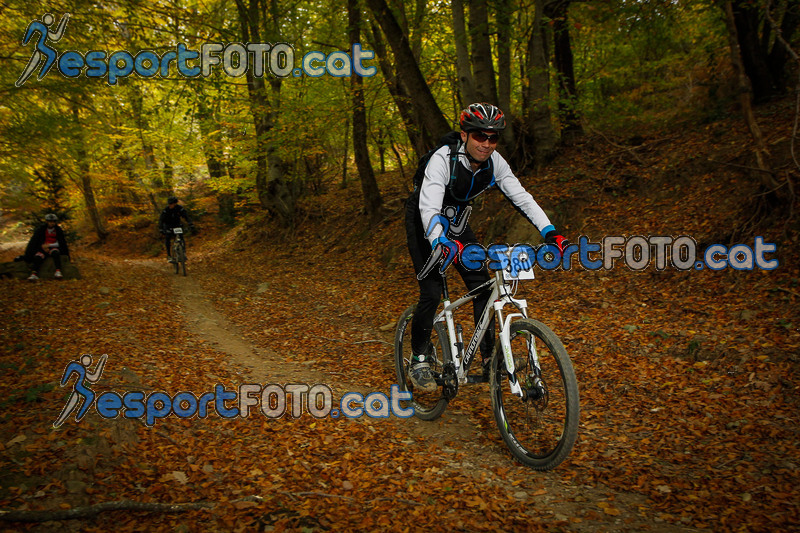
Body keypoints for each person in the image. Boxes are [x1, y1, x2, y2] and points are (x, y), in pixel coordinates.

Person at [404, 103, 568, 392]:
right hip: (424, 221)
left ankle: (491, 356)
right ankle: (419, 358)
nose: (487, 143)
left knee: (480, 281)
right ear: (465, 134)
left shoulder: (495, 162)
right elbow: (429, 207)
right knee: (430, 291)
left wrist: (551, 233)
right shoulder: (443, 158)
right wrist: (440, 242)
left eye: (494, 138)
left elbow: (522, 197)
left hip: (456, 221)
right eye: (480, 135)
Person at [25, 213, 70, 281]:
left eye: (53, 222)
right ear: (47, 222)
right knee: (38, 257)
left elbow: (61, 242)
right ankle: (34, 274)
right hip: (42, 248)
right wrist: (42, 246)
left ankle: (58, 271)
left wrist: (49, 245)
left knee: (55, 253)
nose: (52, 223)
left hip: (54, 247)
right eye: (50, 221)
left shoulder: (58, 230)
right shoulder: (41, 230)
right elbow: (35, 241)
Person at [158, 196, 194, 263]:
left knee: (181, 238)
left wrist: (190, 224)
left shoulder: (180, 209)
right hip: (168, 226)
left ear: (175, 204)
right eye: (169, 204)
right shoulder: (166, 210)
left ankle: (183, 254)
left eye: (171, 204)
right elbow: (161, 220)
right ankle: (169, 255)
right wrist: (161, 228)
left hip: (177, 225)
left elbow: (186, 216)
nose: (170, 205)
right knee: (168, 238)